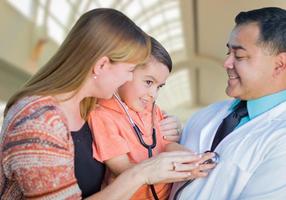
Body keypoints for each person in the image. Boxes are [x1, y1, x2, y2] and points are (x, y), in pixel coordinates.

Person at [0, 8, 212, 200]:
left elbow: (142, 126)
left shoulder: (88, 105)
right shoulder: (39, 123)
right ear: (101, 65)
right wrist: (142, 173)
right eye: (130, 70)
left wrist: (171, 126)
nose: (129, 80)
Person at [170, 7, 286, 200]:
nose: (226, 63)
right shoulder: (204, 116)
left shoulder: (281, 139)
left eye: (239, 56)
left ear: (280, 64)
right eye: (228, 52)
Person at [88, 37, 215, 200]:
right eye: (148, 82)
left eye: (159, 86)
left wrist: (193, 159)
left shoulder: (152, 109)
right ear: (127, 72)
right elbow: (123, 169)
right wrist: (180, 170)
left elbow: (168, 144)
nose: (153, 94)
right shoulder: (102, 115)